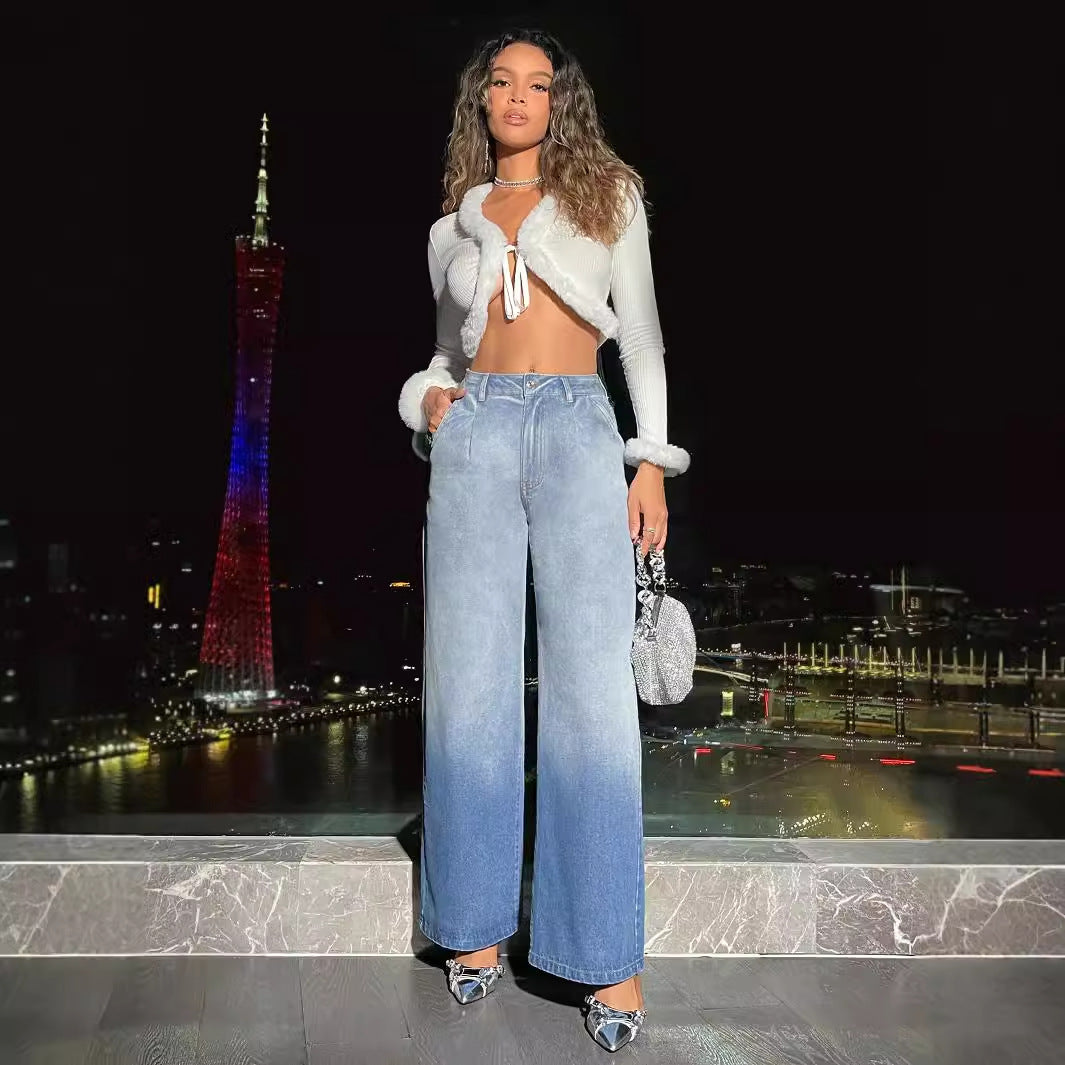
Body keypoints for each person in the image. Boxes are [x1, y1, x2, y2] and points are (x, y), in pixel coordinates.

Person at [397, 28, 691, 1052]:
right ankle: (472, 929)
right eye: (502, 82)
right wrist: (432, 402)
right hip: (476, 437)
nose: (518, 97)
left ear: (560, 101)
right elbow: (446, 352)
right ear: (480, 100)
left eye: (537, 84)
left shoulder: (608, 194)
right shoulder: (453, 227)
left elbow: (639, 332)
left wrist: (649, 461)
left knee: (591, 696)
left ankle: (605, 953)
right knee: (467, 682)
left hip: (577, 429)